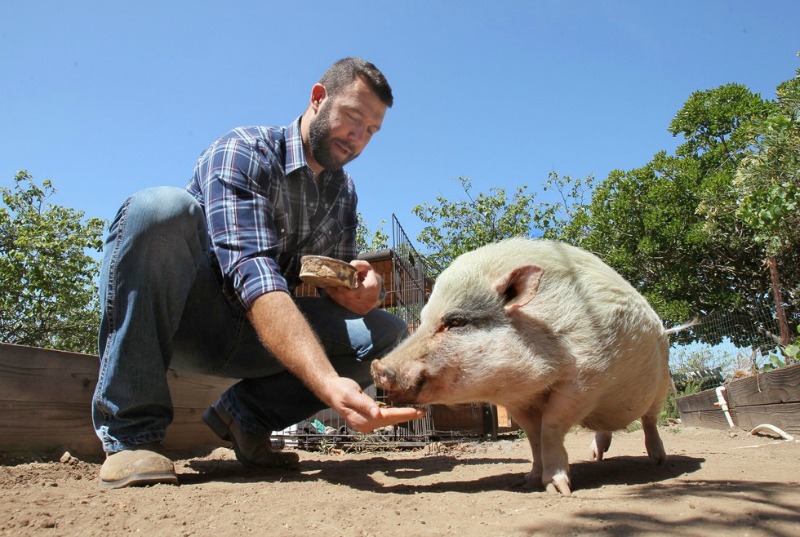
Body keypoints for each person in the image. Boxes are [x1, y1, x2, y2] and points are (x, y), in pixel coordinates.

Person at [93, 57, 425, 489]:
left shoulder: (343, 193)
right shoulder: (245, 151)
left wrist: (362, 292)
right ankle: (131, 436)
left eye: (371, 131)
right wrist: (328, 384)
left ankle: (244, 419)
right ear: (318, 99)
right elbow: (254, 275)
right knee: (160, 210)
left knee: (387, 334)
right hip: (187, 322)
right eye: (353, 118)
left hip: (257, 337)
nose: (358, 138)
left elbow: (328, 285)